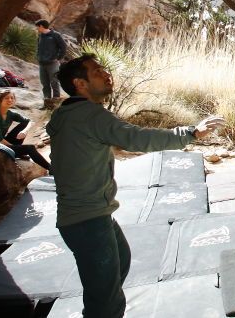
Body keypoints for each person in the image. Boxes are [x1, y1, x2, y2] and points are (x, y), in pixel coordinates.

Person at [47, 53, 225, 318]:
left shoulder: (69, 114)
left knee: (119, 264)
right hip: (86, 219)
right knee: (105, 301)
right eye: (97, 72)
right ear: (79, 84)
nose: (106, 74)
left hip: (91, 214)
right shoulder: (88, 115)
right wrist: (191, 133)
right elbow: (135, 138)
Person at [0, 90, 52, 172]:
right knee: (30, 148)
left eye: (12, 98)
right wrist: (14, 147)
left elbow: (29, 121)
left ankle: (18, 152)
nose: (10, 100)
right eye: (6, 98)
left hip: (2, 143)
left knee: (24, 124)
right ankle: (51, 169)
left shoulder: (10, 114)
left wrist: (24, 131)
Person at [35, 19, 67, 109]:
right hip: (42, 64)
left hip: (52, 63)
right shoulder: (40, 36)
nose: (37, 29)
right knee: (45, 84)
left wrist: (58, 58)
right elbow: (38, 48)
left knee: (54, 82)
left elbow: (63, 47)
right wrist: (38, 57)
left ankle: (56, 104)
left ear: (41, 26)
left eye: (37, 27)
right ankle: (47, 104)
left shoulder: (55, 35)